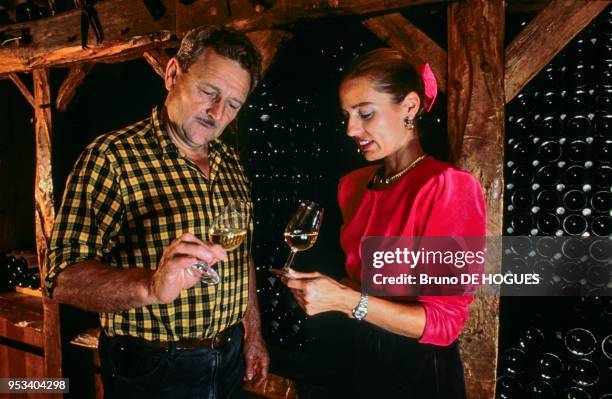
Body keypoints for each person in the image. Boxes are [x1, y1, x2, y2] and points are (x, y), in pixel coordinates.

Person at [46, 26, 269, 398]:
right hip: (151, 367)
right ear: (172, 74)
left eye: (233, 104)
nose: (217, 113)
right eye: (209, 91)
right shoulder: (111, 157)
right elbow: (61, 278)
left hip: (229, 355)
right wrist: (149, 285)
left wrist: (253, 335)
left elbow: (239, 256)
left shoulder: (230, 162)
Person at [282, 48, 486, 398]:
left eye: (365, 113)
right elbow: (363, 283)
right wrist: (330, 290)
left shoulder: (448, 186)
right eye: (346, 115)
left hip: (416, 369)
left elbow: (443, 323)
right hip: (354, 356)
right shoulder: (352, 186)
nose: (350, 129)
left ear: (409, 107)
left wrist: (346, 300)